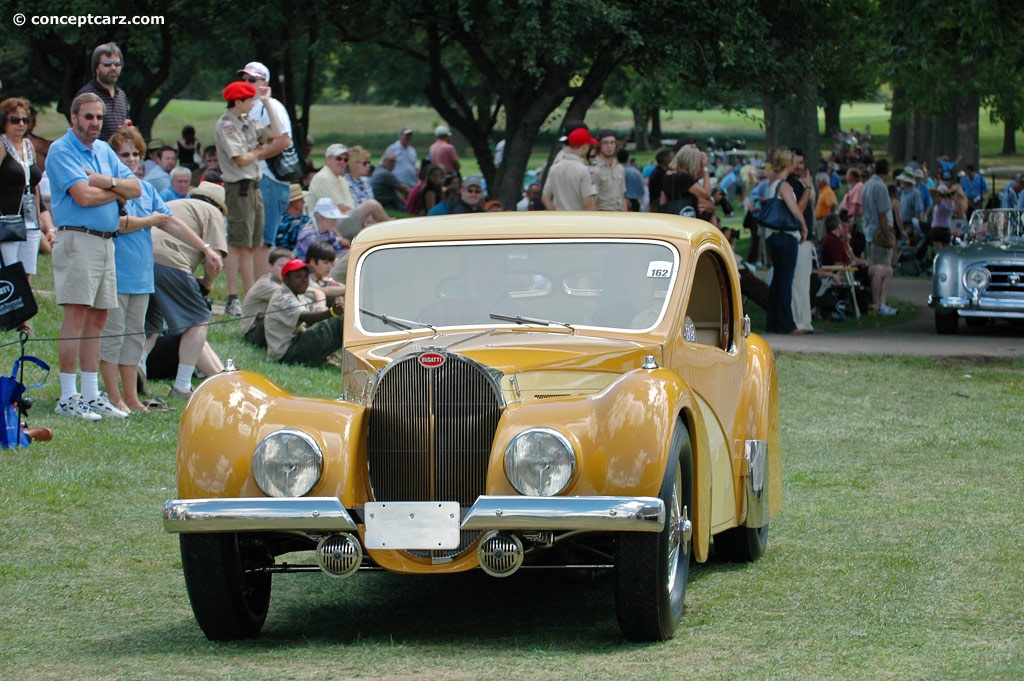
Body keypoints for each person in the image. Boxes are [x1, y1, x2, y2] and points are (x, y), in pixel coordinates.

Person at [100, 128, 222, 413]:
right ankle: (112, 396)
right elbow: (116, 224)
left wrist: (205, 248)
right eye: (124, 154)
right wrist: (150, 220)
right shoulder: (108, 190)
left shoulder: (146, 189)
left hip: (143, 274)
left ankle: (131, 398)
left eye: (135, 154)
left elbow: (170, 222)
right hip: (116, 271)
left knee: (134, 337)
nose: (130, 159)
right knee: (113, 337)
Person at [46, 92, 142, 420]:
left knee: (98, 318)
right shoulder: (62, 150)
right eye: (88, 117)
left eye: (99, 117)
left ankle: (90, 393)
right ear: (74, 118)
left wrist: (106, 181)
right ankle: (68, 396)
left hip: (106, 241)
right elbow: (82, 197)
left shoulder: (102, 150)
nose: (94, 124)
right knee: (76, 316)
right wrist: (116, 190)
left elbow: (136, 188)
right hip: (78, 240)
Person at [143, 182, 228, 399]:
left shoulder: (174, 203)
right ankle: (182, 385)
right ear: (219, 206)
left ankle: (139, 365)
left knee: (150, 324)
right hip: (171, 261)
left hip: (140, 259)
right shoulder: (212, 213)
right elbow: (214, 261)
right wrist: (207, 285)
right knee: (198, 319)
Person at [214, 79, 282, 317]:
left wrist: (267, 103)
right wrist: (260, 151)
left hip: (253, 187)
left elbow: (275, 133)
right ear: (238, 101)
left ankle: (250, 296)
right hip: (238, 188)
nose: (253, 104)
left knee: (253, 244)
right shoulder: (226, 125)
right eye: (251, 100)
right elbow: (240, 159)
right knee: (237, 244)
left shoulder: (248, 122)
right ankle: (233, 298)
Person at [236, 61, 293, 279]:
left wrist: (253, 156)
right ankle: (253, 294)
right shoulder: (248, 107)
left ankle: (260, 295)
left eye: (252, 79)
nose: (247, 83)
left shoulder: (272, 107)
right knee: (251, 242)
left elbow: (284, 140)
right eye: (244, 79)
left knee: (261, 243)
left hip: (269, 180)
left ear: (265, 83)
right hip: (256, 179)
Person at [0, 97, 55, 312]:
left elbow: (34, 185)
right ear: (4, 121)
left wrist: (46, 224)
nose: (21, 123)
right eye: (15, 120)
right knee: (10, 269)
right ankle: (12, 315)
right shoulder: (2, 144)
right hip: (7, 218)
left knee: (27, 268)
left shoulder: (29, 146)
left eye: (25, 119)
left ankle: (23, 314)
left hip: (30, 218)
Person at [264, 259, 344, 366]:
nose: (304, 280)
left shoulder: (298, 295)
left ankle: (324, 357)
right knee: (340, 321)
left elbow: (314, 313)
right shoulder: (284, 297)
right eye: (298, 276)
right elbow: (306, 317)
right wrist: (332, 312)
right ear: (286, 280)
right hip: (286, 354)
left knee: (337, 321)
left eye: (306, 276)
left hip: (294, 346)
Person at [763, 147, 808, 335]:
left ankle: (774, 321)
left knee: (778, 280)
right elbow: (795, 209)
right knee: (785, 281)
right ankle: (787, 323)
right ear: (788, 163)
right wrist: (803, 226)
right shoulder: (784, 186)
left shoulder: (772, 184)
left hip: (773, 235)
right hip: (785, 236)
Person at [861, 159, 898, 316]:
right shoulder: (881, 188)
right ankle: (879, 303)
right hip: (879, 234)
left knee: (875, 267)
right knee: (882, 270)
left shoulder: (867, 185)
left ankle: (877, 302)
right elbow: (882, 214)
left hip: (869, 230)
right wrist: (887, 237)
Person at [75, 42, 129, 141]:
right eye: (107, 64)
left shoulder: (121, 95)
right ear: (96, 68)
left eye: (117, 64)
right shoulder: (87, 95)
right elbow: (80, 132)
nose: (113, 68)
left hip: (118, 155)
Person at [240, 247, 292, 347]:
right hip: (253, 333)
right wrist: (317, 292)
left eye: (288, 266)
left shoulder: (283, 283)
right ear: (270, 267)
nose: (285, 269)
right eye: (281, 266)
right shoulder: (266, 284)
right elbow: (289, 296)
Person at [541, 127, 597, 210]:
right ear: (584, 146)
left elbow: (545, 199)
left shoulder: (554, 168)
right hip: (579, 220)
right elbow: (587, 204)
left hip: (560, 220)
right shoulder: (585, 171)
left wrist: (555, 214)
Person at [661, 144, 711, 219]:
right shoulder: (684, 177)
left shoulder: (668, 175)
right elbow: (706, 193)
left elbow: (663, 199)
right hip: (686, 218)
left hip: (672, 216)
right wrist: (705, 169)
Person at [592, 130, 628, 211]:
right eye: (605, 143)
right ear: (599, 145)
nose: (609, 146)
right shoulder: (595, 169)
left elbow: (622, 196)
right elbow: (592, 200)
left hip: (619, 213)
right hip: (603, 214)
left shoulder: (619, 168)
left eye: (612, 142)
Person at [275, 183, 309, 251]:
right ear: (294, 203)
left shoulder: (304, 218)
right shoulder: (282, 222)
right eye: (301, 199)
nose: (304, 202)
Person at [839, 167, 864, 233]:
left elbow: (857, 203)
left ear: (853, 176)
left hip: (855, 218)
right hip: (848, 216)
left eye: (848, 174)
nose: (846, 176)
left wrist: (854, 219)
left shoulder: (858, 187)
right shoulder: (853, 186)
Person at [648, 147, 673, 213]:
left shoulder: (664, 171)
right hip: (658, 205)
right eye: (671, 157)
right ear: (665, 159)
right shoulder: (658, 174)